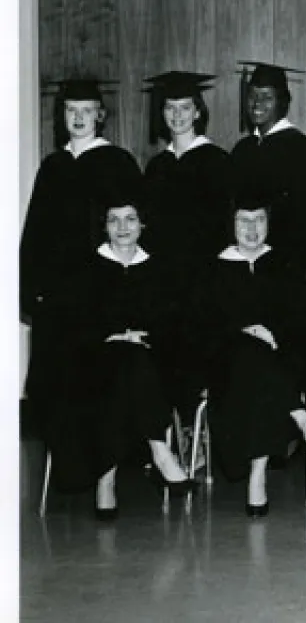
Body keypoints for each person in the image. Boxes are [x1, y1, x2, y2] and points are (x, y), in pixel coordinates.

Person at [47, 190, 194, 520]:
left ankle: (106, 482)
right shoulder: (86, 269)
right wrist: (110, 337)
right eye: (113, 220)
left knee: (133, 360)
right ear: (104, 227)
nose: (122, 227)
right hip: (92, 365)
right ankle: (160, 451)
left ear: (143, 224)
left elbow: (174, 326)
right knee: (121, 361)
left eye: (130, 219)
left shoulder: (159, 270)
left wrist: (141, 338)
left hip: (151, 366)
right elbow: (68, 328)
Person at [21, 79, 143, 453]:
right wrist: (29, 290)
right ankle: (68, 464)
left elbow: (132, 231)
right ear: (62, 116)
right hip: (57, 294)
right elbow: (35, 233)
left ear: (100, 115)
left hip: (100, 289)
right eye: (71, 110)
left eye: (86, 110)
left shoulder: (117, 161)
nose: (78, 118)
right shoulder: (53, 165)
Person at [203, 195, 306, 517]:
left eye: (259, 219)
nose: (251, 228)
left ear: (269, 224)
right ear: (231, 225)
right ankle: (300, 416)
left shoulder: (285, 265)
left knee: (259, 365)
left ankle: (258, 476)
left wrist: (274, 334)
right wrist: (243, 332)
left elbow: (304, 322)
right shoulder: (213, 269)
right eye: (243, 220)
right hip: (226, 367)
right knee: (249, 355)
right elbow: (202, 326)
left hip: (278, 362)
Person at [229, 62, 306, 405]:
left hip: (290, 276)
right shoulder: (242, 151)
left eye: (266, 97)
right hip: (248, 273)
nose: (257, 104)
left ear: (283, 102)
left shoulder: (301, 151)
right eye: (252, 96)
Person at [140, 71, 232, 421]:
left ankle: (198, 441)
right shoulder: (157, 166)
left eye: (185, 107)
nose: (177, 115)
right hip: (164, 284)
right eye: (169, 107)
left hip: (202, 283)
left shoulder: (216, 161)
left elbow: (224, 229)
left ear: (198, 112)